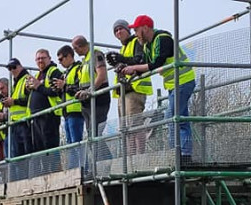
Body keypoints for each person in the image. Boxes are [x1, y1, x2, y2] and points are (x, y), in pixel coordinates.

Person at [120, 15, 196, 159]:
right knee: (179, 118)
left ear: (145, 28)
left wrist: (133, 68)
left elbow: (157, 63)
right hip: (175, 84)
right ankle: (181, 154)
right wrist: (133, 69)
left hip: (183, 80)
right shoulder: (148, 45)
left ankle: (181, 154)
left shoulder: (162, 38)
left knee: (174, 117)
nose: (135, 34)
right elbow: (147, 64)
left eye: (136, 30)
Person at [109, 19, 153, 153]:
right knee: (125, 127)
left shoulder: (136, 42)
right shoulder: (124, 47)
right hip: (124, 90)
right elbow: (128, 62)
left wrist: (121, 59)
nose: (118, 32)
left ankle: (138, 156)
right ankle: (130, 157)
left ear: (128, 30)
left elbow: (139, 60)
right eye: (116, 30)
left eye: (121, 28)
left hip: (135, 88)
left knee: (135, 124)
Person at [52, 45, 85, 169]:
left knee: (76, 142)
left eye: (62, 59)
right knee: (71, 143)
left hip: (76, 110)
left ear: (70, 56)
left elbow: (79, 88)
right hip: (67, 112)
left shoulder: (78, 69)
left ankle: (81, 168)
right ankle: (73, 168)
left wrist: (64, 86)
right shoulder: (66, 72)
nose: (60, 62)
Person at [71, 35, 110, 137]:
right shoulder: (85, 61)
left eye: (75, 48)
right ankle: (98, 153)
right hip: (88, 102)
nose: (75, 51)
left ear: (80, 46)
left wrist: (89, 91)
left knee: (95, 133)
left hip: (98, 100)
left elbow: (101, 75)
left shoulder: (95, 54)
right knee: (91, 134)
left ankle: (103, 154)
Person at [26, 49, 63, 156]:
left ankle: (54, 169)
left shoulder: (53, 71)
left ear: (49, 59)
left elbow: (54, 92)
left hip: (49, 114)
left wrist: (39, 86)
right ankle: (44, 172)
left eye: (43, 58)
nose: (40, 61)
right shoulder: (38, 75)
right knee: (39, 148)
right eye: (38, 59)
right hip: (36, 116)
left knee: (50, 145)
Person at [2, 58, 33, 160]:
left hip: (25, 121)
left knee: (26, 151)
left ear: (20, 66)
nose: (12, 70)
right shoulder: (15, 83)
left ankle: (28, 174)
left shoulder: (26, 79)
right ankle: (22, 175)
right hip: (15, 122)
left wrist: (14, 102)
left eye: (14, 67)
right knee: (18, 154)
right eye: (9, 69)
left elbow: (30, 99)